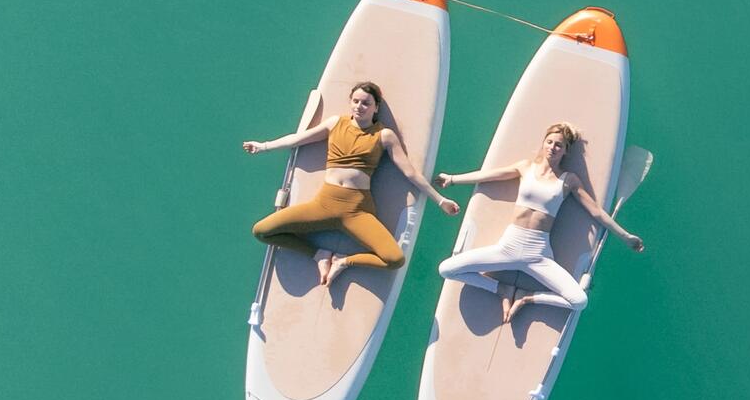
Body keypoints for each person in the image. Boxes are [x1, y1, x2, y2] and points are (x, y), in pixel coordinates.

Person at [244, 81, 459, 286]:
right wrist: (263, 146)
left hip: (357, 211)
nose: (360, 107)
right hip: (324, 206)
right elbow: (298, 139)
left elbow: (410, 173)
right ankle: (319, 255)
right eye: (356, 101)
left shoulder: (384, 135)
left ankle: (342, 261)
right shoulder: (336, 123)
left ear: (376, 108)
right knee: (261, 231)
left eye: (366, 103)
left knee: (394, 260)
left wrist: (440, 200)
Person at [435, 122, 644, 323]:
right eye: (550, 142)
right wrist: (452, 179)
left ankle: (527, 297)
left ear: (565, 151)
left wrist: (625, 236)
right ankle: (501, 290)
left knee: (579, 301)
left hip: (538, 254)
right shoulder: (525, 167)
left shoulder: (568, 180)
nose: (553, 148)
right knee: (447, 269)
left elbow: (596, 211)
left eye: (559, 145)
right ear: (543, 143)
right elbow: (489, 176)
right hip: (508, 247)